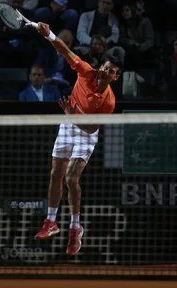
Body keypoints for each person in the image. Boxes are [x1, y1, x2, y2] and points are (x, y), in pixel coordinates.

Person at [30, 21, 122, 256]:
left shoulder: (108, 102)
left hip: (85, 132)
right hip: (68, 124)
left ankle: (75, 227)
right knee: (55, 173)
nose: (106, 72)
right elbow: (64, 50)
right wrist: (48, 33)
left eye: (111, 71)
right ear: (101, 67)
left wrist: (72, 117)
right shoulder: (86, 71)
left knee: (71, 180)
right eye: (105, 67)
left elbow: (91, 128)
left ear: (115, 78)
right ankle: (50, 222)